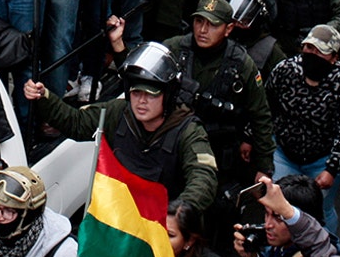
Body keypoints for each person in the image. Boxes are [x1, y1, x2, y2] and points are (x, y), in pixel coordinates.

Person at [113, 0, 275, 204]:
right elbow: (137, 78)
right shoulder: (174, 49)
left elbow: (260, 115)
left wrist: (264, 167)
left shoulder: (242, 64)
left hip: (217, 153)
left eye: (212, 24)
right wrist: (118, 45)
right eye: (199, 21)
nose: (203, 30)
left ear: (228, 28)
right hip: (170, 149)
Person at [26, 46, 220, 213]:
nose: (141, 101)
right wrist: (44, 97)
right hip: (118, 217)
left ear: (167, 96)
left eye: (150, 95)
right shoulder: (118, 112)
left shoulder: (188, 131)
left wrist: (179, 212)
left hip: (160, 225)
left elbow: (203, 177)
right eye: (136, 93)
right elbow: (76, 122)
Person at [263, 24, 340, 239]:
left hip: (321, 160)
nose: (311, 54)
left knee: (321, 211)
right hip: (284, 153)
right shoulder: (285, 70)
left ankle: (328, 253)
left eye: (319, 52)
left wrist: (332, 169)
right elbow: (265, 108)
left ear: (334, 57)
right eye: (308, 48)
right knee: (278, 206)